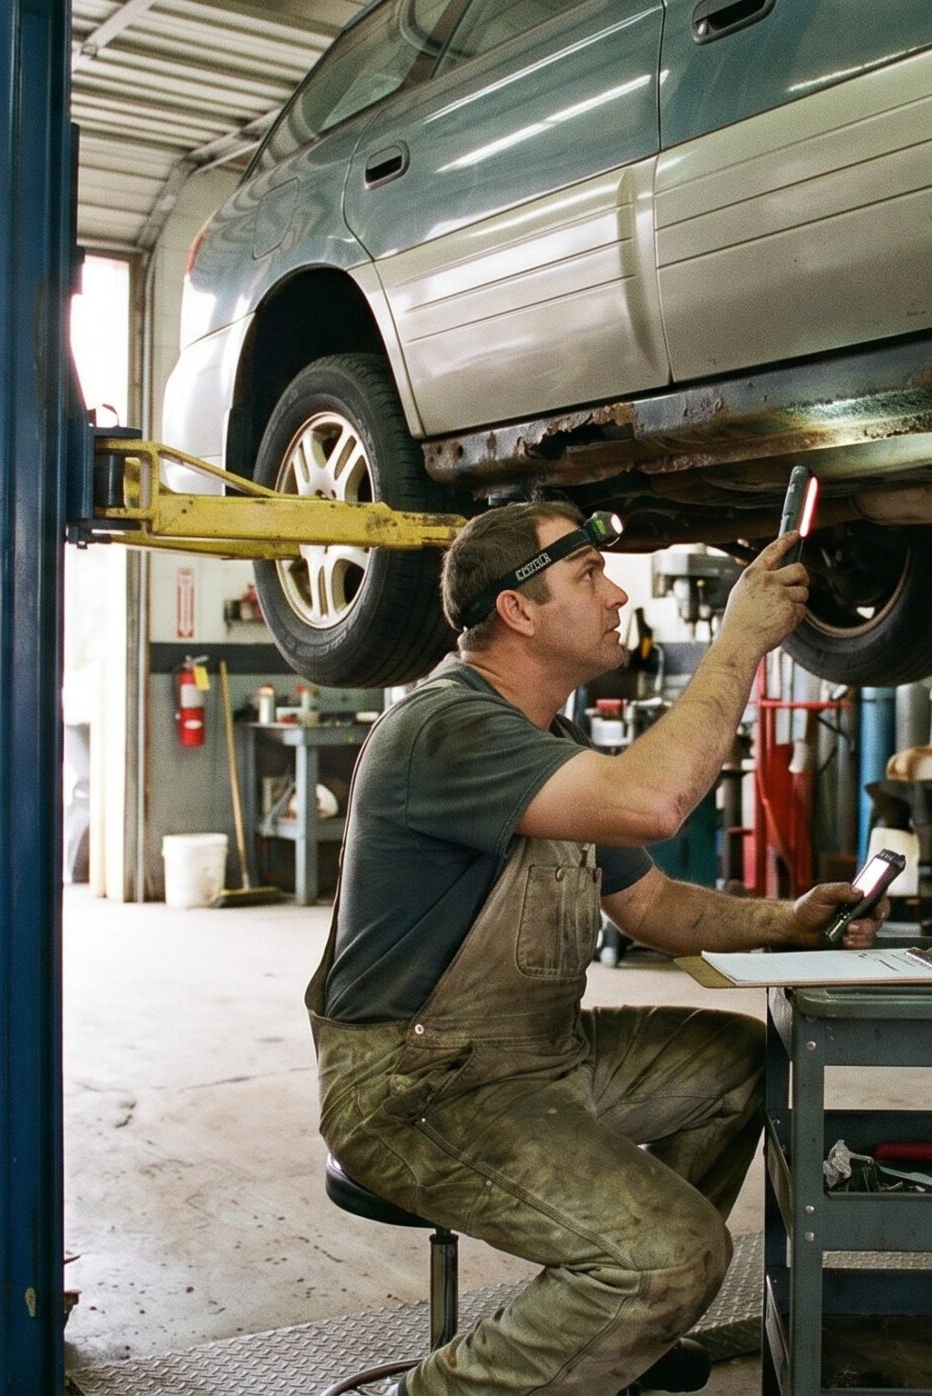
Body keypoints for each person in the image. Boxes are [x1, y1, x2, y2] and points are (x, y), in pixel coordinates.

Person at [307, 502, 881, 1395]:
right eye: (587, 578)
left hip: (537, 1060)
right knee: (670, 1257)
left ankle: (607, 1326)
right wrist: (738, 644)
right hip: (418, 1089)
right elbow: (656, 804)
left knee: (739, 1063)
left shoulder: (544, 745)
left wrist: (786, 921)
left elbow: (648, 902)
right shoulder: (445, 728)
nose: (616, 595)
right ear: (518, 612)